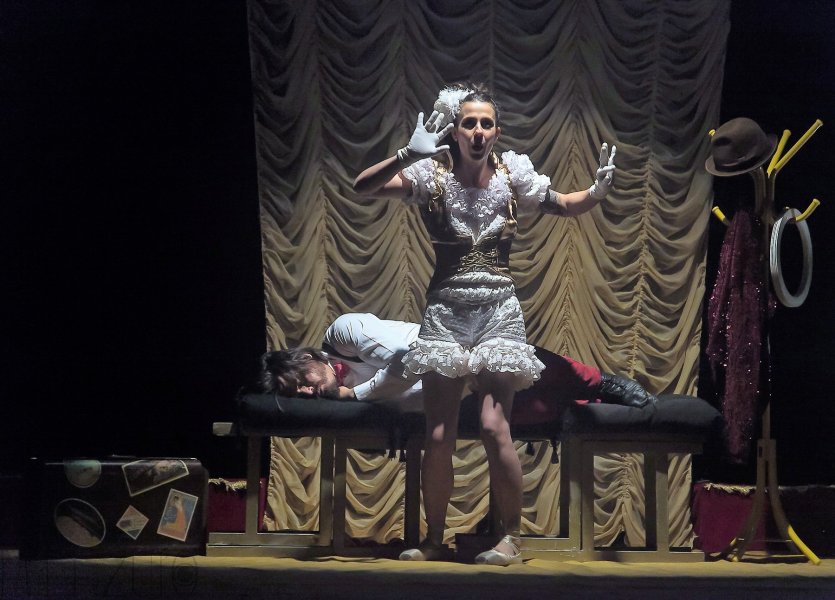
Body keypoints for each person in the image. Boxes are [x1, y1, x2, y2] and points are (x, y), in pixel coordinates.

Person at [349, 82, 619, 565]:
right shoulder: (431, 176)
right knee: (439, 435)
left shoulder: (513, 176)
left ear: (497, 132)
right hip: (447, 313)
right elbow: (362, 187)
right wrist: (405, 155)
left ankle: (510, 538)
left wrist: (596, 192)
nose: (478, 131)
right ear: (455, 131)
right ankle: (435, 540)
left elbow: (566, 204)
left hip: (498, 312)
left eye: (486, 123)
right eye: (469, 123)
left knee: (495, 428)